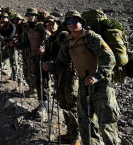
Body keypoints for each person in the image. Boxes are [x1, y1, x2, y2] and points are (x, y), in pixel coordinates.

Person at [51, 11, 121, 145]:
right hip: (84, 83)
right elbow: (62, 61)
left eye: (75, 21)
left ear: (81, 22)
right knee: (85, 123)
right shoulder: (68, 41)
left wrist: (97, 76)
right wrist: (51, 66)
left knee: (106, 124)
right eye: (69, 22)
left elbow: (109, 57)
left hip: (101, 84)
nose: (72, 24)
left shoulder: (91, 37)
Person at [42, 15, 79, 144]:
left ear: (58, 25)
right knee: (63, 103)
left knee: (72, 104)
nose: (50, 26)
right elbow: (46, 56)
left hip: (69, 75)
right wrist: (46, 70)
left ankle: (76, 137)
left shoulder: (63, 36)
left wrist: (51, 65)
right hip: (58, 74)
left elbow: (66, 58)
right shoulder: (49, 40)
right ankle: (70, 133)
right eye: (48, 25)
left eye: (53, 24)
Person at [18, 8, 47, 116]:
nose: (30, 17)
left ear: (36, 16)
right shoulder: (27, 27)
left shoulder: (40, 26)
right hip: (31, 56)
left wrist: (44, 48)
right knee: (34, 76)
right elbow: (25, 39)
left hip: (41, 56)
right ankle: (39, 100)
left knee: (42, 79)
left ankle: (44, 104)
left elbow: (47, 38)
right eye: (29, 15)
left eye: (32, 15)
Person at [0, 13, 18, 81]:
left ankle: (14, 78)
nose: (3, 19)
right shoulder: (3, 27)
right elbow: (1, 36)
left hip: (12, 46)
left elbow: (11, 35)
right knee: (0, 58)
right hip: (7, 46)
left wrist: (5, 39)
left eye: (4, 17)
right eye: (2, 18)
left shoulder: (12, 25)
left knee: (13, 62)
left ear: (8, 18)